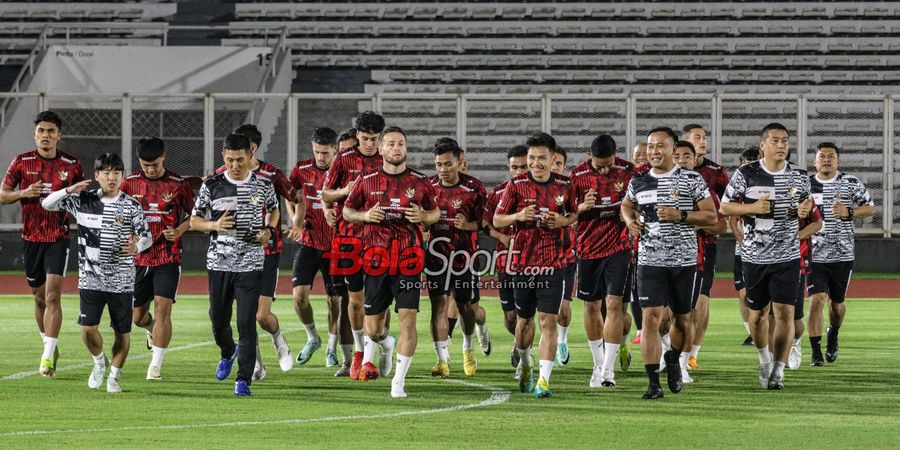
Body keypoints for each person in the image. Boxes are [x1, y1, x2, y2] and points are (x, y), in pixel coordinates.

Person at [42, 153, 152, 393]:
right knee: (87, 330)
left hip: (122, 280)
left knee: (122, 332)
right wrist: (69, 189)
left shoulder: (131, 205)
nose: (111, 177)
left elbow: (147, 237)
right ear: (97, 176)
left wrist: (136, 246)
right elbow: (46, 204)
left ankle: (114, 376)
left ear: (122, 176)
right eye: (106, 172)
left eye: (116, 173)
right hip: (91, 278)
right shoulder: (83, 200)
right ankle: (99, 362)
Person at [342, 126, 439, 398]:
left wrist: (422, 216)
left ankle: (399, 381)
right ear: (381, 150)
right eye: (391, 144)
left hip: (409, 257)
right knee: (373, 330)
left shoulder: (420, 182)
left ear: (406, 149)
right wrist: (364, 216)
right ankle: (386, 343)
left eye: (401, 144)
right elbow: (347, 211)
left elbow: (435, 213)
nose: (397, 148)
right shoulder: (367, 179)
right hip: (376, 259)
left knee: (408, 319)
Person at [621, 127, 717, 399]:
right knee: (650, 319)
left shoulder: (691, 180)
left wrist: (681, 215)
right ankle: (653, 383)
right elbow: (627, 206)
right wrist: (630, 222)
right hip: (649, 261)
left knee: (682, 321)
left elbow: (711, 217)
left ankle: (674, 358)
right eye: (650, 146)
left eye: (660, 146)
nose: (653, 151)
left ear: (673, 150)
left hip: (684, 262)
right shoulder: (638, 181)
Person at [720, 123, 814, 390]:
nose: (781, 145)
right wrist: (751, 207)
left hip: (787, 255)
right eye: (775, 141)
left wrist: (804, 210)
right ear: (763, 145)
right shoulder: (746, 173)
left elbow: (806, 207)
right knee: (758, 314)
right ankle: (764, 360)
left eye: (785, 140)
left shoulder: (799, 175)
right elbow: (725, 206)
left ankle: (779, 370)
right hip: (754, 257)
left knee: (785, 313)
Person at [191, 134, 279, 396]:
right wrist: (214, 225)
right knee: (218, 320)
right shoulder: (212, 185)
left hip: (251, 263)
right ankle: (228, 351)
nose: (235, 165)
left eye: (240, 159)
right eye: (229, 160)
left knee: (246, 323)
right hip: (219, 262)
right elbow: (195, 221)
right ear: (223, 157)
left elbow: (274, 210)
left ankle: (243, 379)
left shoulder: (263, 184)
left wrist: (268, 230)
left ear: (250, 157)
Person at [493, 132, 578, 398]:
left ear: (554, 159)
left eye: (542, 158)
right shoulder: (516, 186)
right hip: (522, 265)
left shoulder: (565, 185)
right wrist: (518, 215)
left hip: (552, 264)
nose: (536, 163)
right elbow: (497, 220)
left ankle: (544, 380)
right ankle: (526, 362)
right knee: (523, 321)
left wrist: (562, 222)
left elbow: (575, 215)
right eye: (532, 157)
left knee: (548, 321)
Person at [0, 111, 84, 376]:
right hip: (30, 238)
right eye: (41, 131)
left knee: (52, 296)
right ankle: (49, 343)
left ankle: (47, 357)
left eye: (51, 131)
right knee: (38, 299)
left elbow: (80, 201)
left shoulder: (71, 165)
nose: (45, 135)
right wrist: (23, 193)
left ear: (59, 135)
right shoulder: (21, 162)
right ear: (35, 135)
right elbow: (3, 196)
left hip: (58, 239)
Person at [220, 124, 300, 378]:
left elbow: (295, 196)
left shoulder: (271, 175)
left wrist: (296, 221)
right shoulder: (223, 174)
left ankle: (279, 341)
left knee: (261, 315)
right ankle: (255, 363)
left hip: (267, 252)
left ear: (252, 149)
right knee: (243, 314)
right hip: (235, 253)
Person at [120, 138, 194, 380]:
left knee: (163, 308)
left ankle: (155, 366)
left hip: (168, 257)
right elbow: (117, 214)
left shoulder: (178, 184)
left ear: (163, 158)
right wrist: (127, 235)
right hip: (139, 259)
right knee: (138, 317)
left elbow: (195, 215)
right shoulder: (129, 183)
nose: (150, 169)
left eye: (154, 164)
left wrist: (180, 231)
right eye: (144, 165)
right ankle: (151, 330)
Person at [322, 111, 386, 380]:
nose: (370, 144)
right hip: (348, 238)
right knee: (354, 300)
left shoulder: (387, 159)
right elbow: (326, 193)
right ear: (357, 136)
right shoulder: (344, 159)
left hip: (381, 240)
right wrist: (345, 191)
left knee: (379, 300)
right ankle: (359, 353)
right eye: (365, 138)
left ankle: (376, 351)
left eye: (374, 139)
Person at [570, 134, 635, 388]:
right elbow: (566, 215)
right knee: (591, 306)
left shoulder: (627, 171)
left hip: (619, 247)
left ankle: (608, 369)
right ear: (589, 155)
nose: (606, 169)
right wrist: (581, 208)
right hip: (587, 249)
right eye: (600, 165)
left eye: (609, 164)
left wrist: (629, 213)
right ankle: (597, 364)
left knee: (615, 303)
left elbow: (638, 202)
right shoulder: (577, 176)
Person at [288, 127, 352, 375]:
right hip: (309, 242)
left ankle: (332, 348)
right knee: (298, 297)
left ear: (335, 150)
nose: (321, 157)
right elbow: (290, 195)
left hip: (335, 246)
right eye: (317, 152)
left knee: (335, 301)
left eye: (325, 153)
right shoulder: (302, 169)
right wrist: (296, 219)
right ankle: (313, 337)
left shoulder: (345, 173)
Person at [807, 142, 875, 366]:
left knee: (836, 305)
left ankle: (833, 333)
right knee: (816, 299)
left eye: (831, 156)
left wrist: (849, 212)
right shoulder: (806, 185)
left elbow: (870, 208)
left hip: (842, 254)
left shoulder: (850, 182)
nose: (826, 160)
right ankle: (816, 352)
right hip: (814, 255)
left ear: (838, 161)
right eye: (822, 156)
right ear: (814, 161)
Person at [426, 138, 486, 378]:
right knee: (438, 307)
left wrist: (469, 225)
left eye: (448, 164)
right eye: (439, 164)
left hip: (465, 257)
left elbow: (486, 222)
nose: (443, 169)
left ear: (460, 161)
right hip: (436, 257)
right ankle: (442, 360)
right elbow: (420, 216)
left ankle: (468, 347)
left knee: (464, 308)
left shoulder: (475, 188)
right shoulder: (427, 186)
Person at [672, 140, 728, 384]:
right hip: (660, 258)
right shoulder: (656, 184)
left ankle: (684, 362)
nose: (682, 160)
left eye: (687, 156)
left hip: (698, 255)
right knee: (662, 314)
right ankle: (669, 356)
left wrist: (691, 222)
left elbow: (720, 224)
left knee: (692, 310)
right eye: (677, 155)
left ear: (695, 160)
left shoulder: (705, 191)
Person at [483, 145, 529, 376]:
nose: (519, 171)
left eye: (523, 166)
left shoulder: (539, 191)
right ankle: (517, 342)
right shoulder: (500, 192)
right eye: (515, 167)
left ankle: (525, 360)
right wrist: (502, 237)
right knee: (510, 317)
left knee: (525, 314)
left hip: (532, 264)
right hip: (505, 263)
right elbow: (486, 224)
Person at [550, 146, 577, 368]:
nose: (555, 167)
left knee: (563, 308)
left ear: (564, 167)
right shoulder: (535, 188)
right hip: (539, 257)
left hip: (567, 255)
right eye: (552, 162)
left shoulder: (571, 190)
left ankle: (562, 339)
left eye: (559, 163)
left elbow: (580, 218)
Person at [731, 147, 761, 346]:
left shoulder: (766, 185)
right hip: (743, 250)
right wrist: (741, 240)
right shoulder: (738, 187)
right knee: (743, 294)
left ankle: (763, 329)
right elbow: (732, 219)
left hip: (766, 250)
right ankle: (751, 332)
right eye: (745, 163)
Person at [628, 143, 648, 345]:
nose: (641, 157)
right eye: (637, 154)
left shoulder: (651, 179)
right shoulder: (629, 179)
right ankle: (640, 330)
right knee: (634, 290)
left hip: (650, 246)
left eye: (644, 153)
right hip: (629, 247)